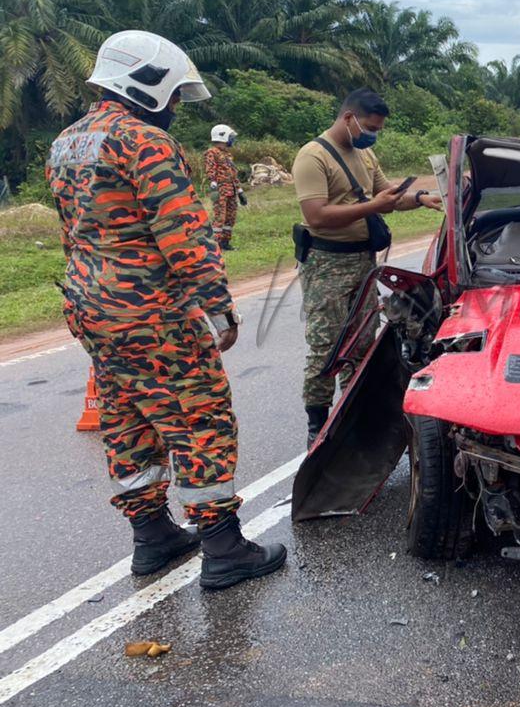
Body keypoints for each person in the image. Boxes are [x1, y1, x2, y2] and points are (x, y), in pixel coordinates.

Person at [46, 30, 286, 591]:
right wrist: (218, 308)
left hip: (91, 308)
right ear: (147, 84)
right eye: (175, 94)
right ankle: (224, 546)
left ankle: (152, 536)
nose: (177, 106)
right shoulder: (143, 142)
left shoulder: (67, 141)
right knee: (199, 416)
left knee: (125, 415)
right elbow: (182, 231)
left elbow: (75, 231)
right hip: (151, 311)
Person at [292, 88, 441, 447]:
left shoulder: (365, 154)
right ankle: (318, 425)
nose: (373, 134)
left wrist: (420, 199)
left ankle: (353, 419)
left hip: (363, 263)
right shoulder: (313, 157)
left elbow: (387, 196)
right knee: (326, 348)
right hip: (327, 264)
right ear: (349, 118)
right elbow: (317, 215)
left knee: (361, 347)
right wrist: (373, 206)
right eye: (370, 127)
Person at [204, 124, 244, 250]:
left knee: (230, 217)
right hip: (220, 189)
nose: (231, 140)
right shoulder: (212, 152)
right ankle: (215, 245)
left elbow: (233, 174)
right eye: (230, 137)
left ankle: (225, 243)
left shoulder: (228, 155)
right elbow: (210, 169)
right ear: (222, 136)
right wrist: (213, 184)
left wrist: (240, 191)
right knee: (219, 217)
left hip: (231, 190)